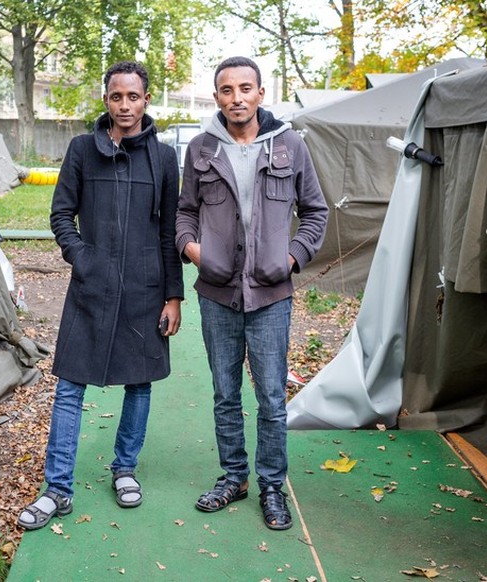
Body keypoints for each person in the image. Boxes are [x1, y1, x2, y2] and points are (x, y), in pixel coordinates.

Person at [17, 61, 184, 531]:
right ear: (106, 99)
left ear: (146, 99)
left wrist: (173, 295)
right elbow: (60, 216)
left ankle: (125, 468)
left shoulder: (164, 158)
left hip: (145, 291)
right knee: (70, 386)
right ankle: (57, 487)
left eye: (133, 96)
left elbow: (170, 229)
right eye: (116, 97)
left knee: (139, 383)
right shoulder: (81, 150)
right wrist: (84, 259)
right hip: (90, 288)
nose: (125, 105)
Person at [175, 56, 328, 530]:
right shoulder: (201, 149)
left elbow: (316, 212)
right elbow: (183, 213)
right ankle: (234, 477)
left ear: (261, 93)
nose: (236, 97)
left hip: (271, 296)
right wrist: (195, 251)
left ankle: (271, 486)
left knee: (270, 398)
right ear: (216, 96)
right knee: (225, 392)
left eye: (246, 88)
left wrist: (289, 260)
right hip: (218, 295)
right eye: (226, 89)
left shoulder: (289, 145)